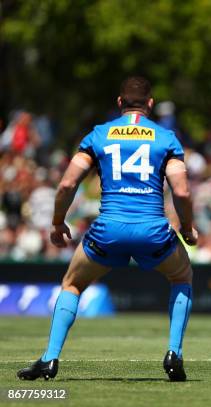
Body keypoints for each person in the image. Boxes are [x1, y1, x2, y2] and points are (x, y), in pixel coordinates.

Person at [17, 77, 197, 382]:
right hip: (152, 230)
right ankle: (173, 353)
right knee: (182, 277)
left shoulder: (98, 135)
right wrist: (188, 228)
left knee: (72, 284)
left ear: (119, 103)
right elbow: (181, 192)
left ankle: (50, 358)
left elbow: (67, 183)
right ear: (150, 104)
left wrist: (58, 221)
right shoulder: (166, 137)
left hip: (108, 230)